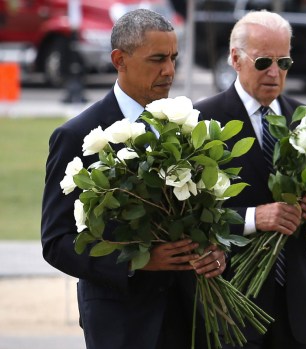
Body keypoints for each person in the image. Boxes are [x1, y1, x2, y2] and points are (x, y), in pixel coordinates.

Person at [41, 9, 226, 349]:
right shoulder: (78, 135)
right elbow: (57, 242)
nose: (169, 71)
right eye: (157, 59)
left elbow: (204, 212)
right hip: (121, 322)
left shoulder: (188, 126)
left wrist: (214, 249)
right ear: (119, 60)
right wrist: (138, 262)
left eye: (173, 58)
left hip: (194, 316)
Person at [194, 10, 306, 349]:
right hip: (232, 306)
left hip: (295, 309)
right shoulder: (202, 120)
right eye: (263, 62)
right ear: (235, 59)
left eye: (284, 62)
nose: (275, 73)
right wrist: (252, 218)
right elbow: (190, 215)